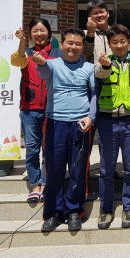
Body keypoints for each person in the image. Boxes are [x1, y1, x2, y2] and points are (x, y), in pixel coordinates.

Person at [35, 28, 96, 232]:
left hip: (80, 125)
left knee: (78, 169)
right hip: (55, 123)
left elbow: (94, 94)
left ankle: (74, 211)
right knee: (54, 169)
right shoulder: (51, 64)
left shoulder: (89, 68)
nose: (73, 47)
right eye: (69, 43)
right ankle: (53, 212)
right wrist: (40, 63)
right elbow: (44, 72)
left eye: (78, 44)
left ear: (83, 47)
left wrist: (91, 117)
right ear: (61, 44)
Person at [94, 25, 130, 229]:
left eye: (122, 41)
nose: (119, 45)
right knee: (106, 169)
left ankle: (128, 208)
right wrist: (105, 65)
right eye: (114, 42)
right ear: (109, 44)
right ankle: (106, 209)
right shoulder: (103, 61)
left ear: (129, 41)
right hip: (108, 121)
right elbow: (100, 74)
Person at [11, 17, 61, 203]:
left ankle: (46, 183)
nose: (39, 34)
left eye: (42, 30)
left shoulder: (58, 53)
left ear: (49, 33)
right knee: (32, 149)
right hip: (29, 109)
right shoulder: (26, 53)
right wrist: (21, 42)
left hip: (52, 109)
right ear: (30, 34)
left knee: (49, 148)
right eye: (35, 31)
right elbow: (16, 60)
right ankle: (35, 185)